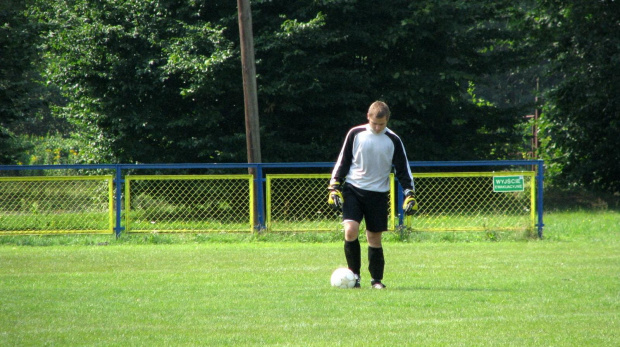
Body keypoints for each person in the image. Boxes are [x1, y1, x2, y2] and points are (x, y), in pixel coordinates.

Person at [328, 101, 418, 289]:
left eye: (382, 124)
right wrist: (334, 186)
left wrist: (409, 193)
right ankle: (355, 277)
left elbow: (403, 168)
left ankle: (376, 280)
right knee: (350, 230)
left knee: (374, 238)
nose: (377, 128)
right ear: (368, 117)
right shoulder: (355, 134)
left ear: (387, 121)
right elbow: (343, 161)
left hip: (378, 193)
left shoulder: (393, 140)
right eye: (375, 123)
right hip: (353, 188)